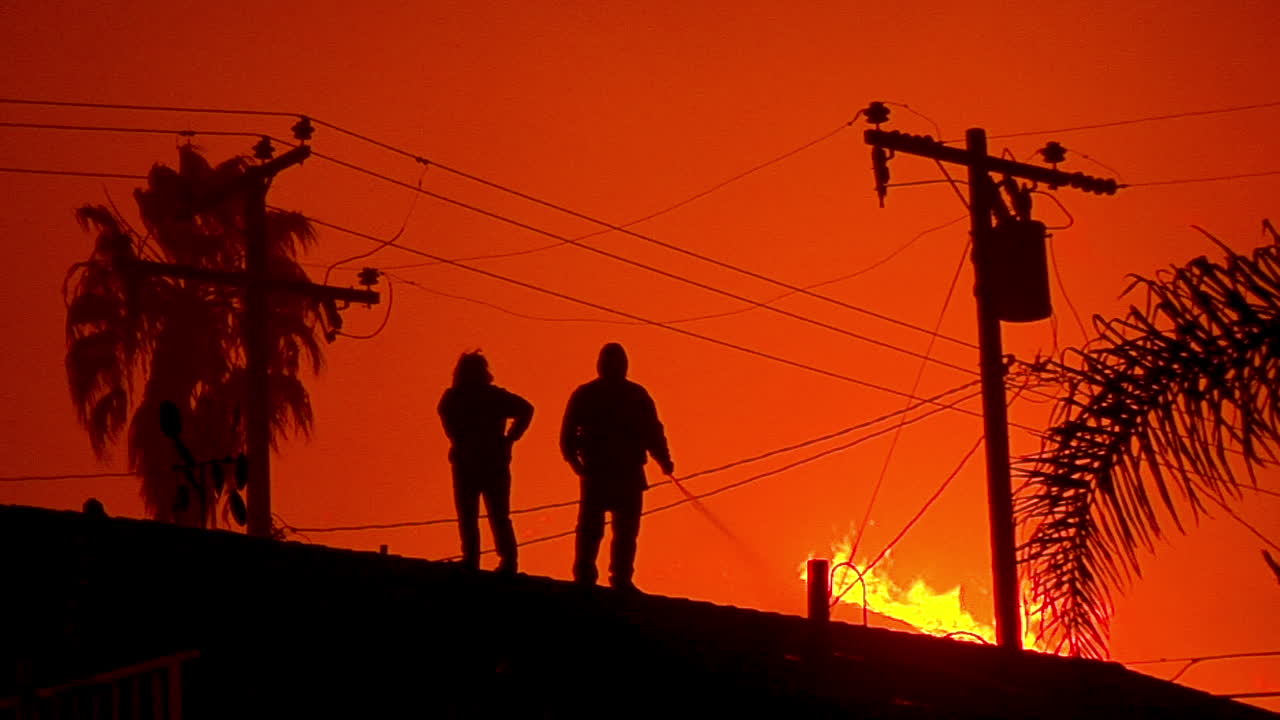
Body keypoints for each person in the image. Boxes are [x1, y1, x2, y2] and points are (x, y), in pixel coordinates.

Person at [560, 343, 674, 591]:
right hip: (602, 472)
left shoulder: (632, 395)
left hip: (622, 473)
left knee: (622, 531)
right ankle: (593, 575)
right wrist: (576, 463)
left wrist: (664, 460)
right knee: (598, 529)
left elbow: (653, 432)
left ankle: (613, 577)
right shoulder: (596, 394)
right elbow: (568, 435)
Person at [438, 351, 533, 575]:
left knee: (476, 515)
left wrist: (510, 438)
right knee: (492, 515)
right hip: (486, 462)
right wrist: (509, 439)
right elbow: (526, 409)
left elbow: (527, 409)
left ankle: (481, 561)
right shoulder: (487, 397)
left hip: (474, 463)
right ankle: (504, 561)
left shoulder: (456, 397)